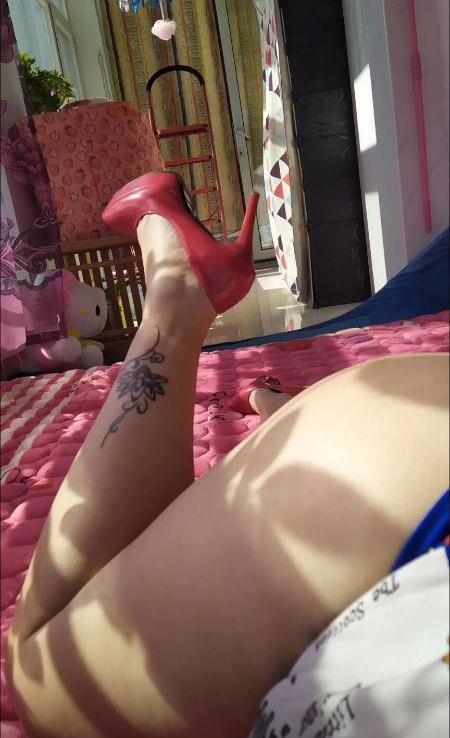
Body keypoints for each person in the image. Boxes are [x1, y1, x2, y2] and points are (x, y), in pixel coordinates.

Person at [7, 172, 449, 738]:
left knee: (49, 666)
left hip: (403, 446)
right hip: (401, 481)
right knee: (39, 674)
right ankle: (177, 299)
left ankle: (249, 374)